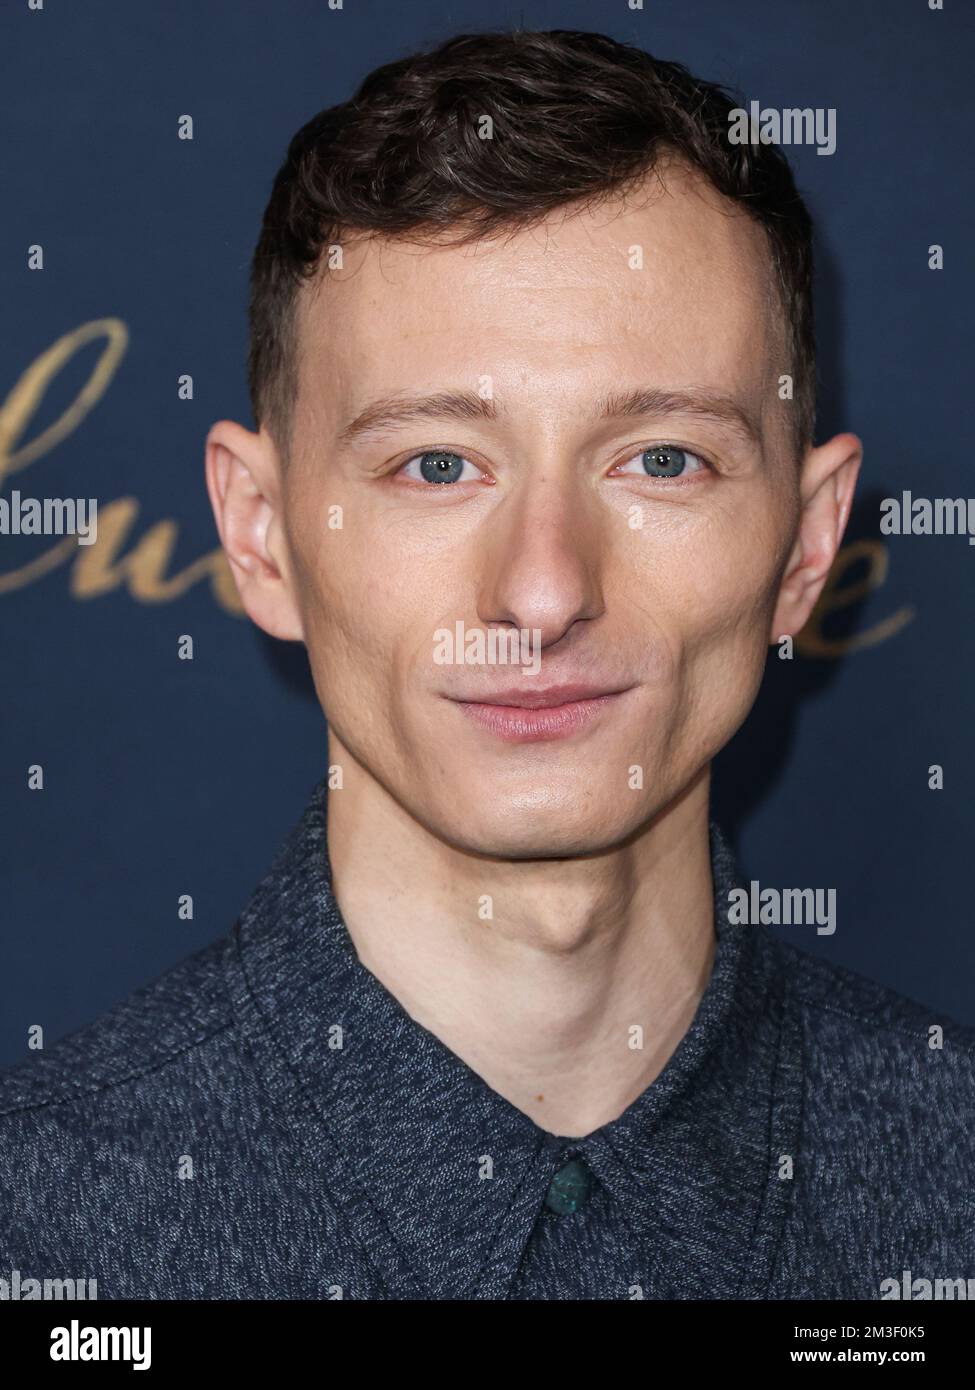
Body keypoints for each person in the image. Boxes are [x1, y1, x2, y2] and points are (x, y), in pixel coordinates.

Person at [2, 28, 972, 1302]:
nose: (545, 589)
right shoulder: (40, 1245)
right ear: (262, 534)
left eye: (663, 459)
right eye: (437, 466)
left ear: (806, 540)